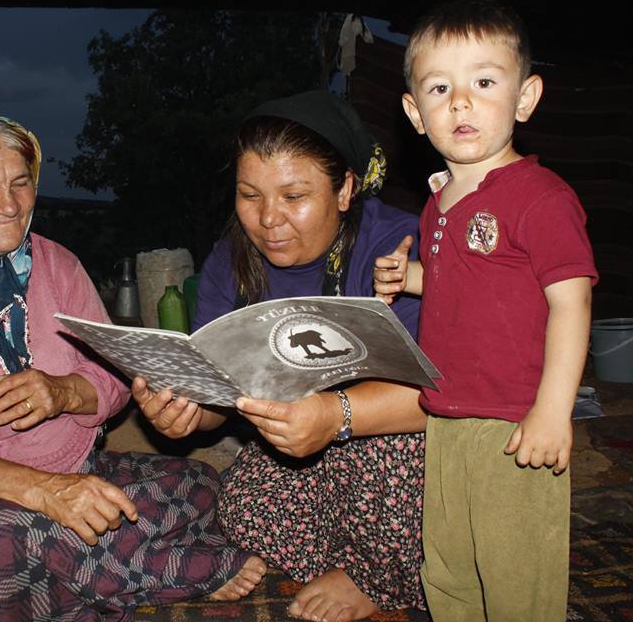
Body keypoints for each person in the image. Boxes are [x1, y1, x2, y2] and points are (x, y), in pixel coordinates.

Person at [0, 113, 265, 621]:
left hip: (73, 469)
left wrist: (64, 393)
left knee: (203, 488)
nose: (10, 205)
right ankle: (172, 569)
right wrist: (46, 493)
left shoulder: (56, 264)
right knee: (4, 542)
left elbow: (114, 379)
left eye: (21, 184)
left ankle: (92, 571)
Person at [133, 90, 427, 622]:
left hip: (398, 442)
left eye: (294, 196)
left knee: (394, 461)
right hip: (302, 441)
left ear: (345, 190)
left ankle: (373, 576)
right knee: (244, 508)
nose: (268, 219)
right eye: (250, 195)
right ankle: (381, 559)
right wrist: (186, 413)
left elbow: (440, 395)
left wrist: (332, 415)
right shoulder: (232, 258)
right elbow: (223, 389)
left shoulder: (398, 249)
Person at [373, 0, 597, 621]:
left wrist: (553, 411)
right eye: (440, 87)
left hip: (515, 421)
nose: (461, 102)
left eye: (484, 81)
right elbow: (465, 282)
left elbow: (571, 302)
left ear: (525, 99)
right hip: (444, 413)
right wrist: (413, 277)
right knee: (446, 566)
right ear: (416, 113)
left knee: (515, 570)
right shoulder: (440, 202)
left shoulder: (541, 198)